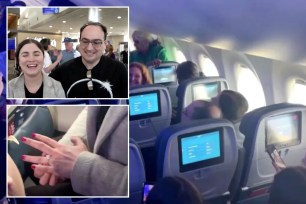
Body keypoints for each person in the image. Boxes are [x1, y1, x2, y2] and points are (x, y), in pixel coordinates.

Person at [21, 106, 128, 196]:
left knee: (30, 195)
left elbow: (133, 183)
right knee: (32, 159)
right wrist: (61, 151)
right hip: (93, 150)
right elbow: (94, 110)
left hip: (110, 182)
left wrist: (80, 166)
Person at [49, 22, 128, 98]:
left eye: (96, 42)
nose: (89, 48)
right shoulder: (63, 71)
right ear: (79, 42)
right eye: (85, 41)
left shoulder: (118, 69)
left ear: (104, 44)